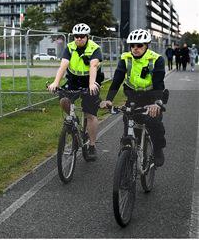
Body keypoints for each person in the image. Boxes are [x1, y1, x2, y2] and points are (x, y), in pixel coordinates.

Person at [100, 29, 166, 167]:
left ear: (146, 45)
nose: (135, 48)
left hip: (152, 97)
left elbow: (159, 83)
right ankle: (126, 166)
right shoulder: (125, 58)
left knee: (154, 124)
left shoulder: (156, 59)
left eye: (139, 45)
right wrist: (108, 99)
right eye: (132, 45)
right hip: (133, 97)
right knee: (129, 131)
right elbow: (117, 80)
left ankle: (158, 150)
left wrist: (157, 103)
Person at [48, 23, 103, 161]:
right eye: (76, 36)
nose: (79, 39)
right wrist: (56, 82)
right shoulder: (70, 47)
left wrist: (91, 84)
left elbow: (93, 66)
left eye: (82, 36)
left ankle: (91, 145)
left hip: (90, 80)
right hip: (73, 80)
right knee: (63, 101)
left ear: (87, 36)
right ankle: (75, 120)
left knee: (90, 114)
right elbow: (63, 65)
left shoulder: (95, 48)